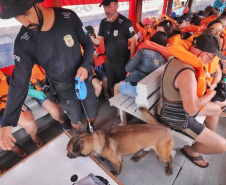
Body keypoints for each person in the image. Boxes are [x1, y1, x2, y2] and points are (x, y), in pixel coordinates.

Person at [0, 0, 97, 150]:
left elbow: (89, 44)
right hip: (63, 90)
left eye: (26, 14)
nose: (25, 22)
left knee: (92, 114)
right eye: (17, 17)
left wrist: (85, 66)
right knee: (76, 120)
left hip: (84, 81)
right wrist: (7, 121)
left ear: (37, 3)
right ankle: (81, 139)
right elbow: (19, 81)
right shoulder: (24, 41)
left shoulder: (68, 17)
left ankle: (91, 134)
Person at [158, 34, 226, 168]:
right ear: (203, 54)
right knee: (223, 146)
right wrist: (210, 94)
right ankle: (192, 149)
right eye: (212, 58)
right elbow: (191, 108)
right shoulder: (187, 72)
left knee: (217, 109)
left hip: (174, 106)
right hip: (175, 116)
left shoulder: (180, 59)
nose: (211, 62)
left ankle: (206, 139)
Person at [114, 31, 171, 125]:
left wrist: (132, 59)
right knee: (123, 82)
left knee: (116, 87)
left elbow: (128, 68)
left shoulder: (144, 51)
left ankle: (120, 116)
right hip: (152, 94)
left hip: (137, 90)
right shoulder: (164, 59)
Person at [90, 0, 136, 95]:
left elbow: (133, 41)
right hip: (109, 63)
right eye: (105, 8)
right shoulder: (103, 23)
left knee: (120, 88)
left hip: (122, 63)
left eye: (109, 7)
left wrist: (131, 59)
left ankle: (120, 108)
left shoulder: (126, 23)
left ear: (117, 6)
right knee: (111, 87)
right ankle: (113, 105)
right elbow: (98, 40)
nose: (106, 10)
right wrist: (91, 38)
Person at [0, 70, 43, 150]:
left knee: (31, 125)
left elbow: (14, 80)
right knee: (1, 138)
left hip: (10, 101)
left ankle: (34, 137)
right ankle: (13, 148)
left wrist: (17, 102)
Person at [28, 64, 71, 131]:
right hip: (42, 92)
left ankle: (74, 117)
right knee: (55, 112)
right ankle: (62, 121)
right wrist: (45, 94)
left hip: (58, 84)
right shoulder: (21, 68)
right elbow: (28, 90)